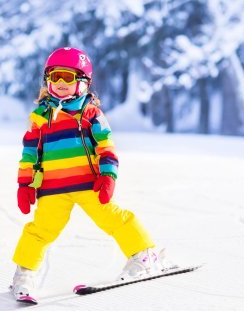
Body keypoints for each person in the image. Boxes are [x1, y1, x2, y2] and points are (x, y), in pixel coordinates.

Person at [10, 47, 170, 300]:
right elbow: (29, 152)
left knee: (115, 219)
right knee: (39, 231)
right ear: (47, 80)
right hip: (52, 189)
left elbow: (106, 147)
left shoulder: (91, 114)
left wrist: (108, 177)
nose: (61, 83)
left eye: (68, 77)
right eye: (55, 77)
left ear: (83, 82)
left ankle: (144, 255)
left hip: (89, 185)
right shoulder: (40, 116)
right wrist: (25, 184)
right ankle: (24, 274)